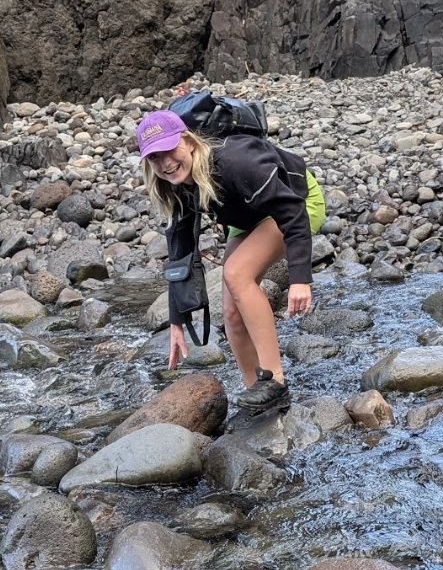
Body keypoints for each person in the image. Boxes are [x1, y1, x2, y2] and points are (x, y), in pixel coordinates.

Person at [135, 108, 325, 412]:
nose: (165, 163)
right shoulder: (175, 186)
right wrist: (176, 320)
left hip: (298, 201)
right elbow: (180, 255)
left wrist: (300, 279)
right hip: (250, 212)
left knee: (236, 273)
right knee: (231, 311)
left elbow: (292, 212)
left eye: (169, 150)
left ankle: (275, 381)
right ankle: (257, 396)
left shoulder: (235, 161)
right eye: (154, 157)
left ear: (189, 142)